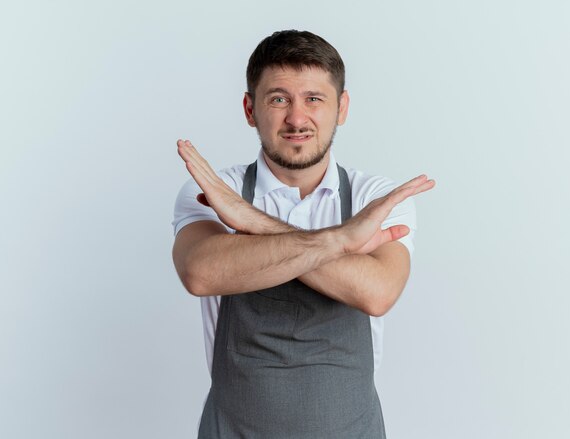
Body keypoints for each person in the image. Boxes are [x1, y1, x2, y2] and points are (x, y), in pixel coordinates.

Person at [171, 30, 435, 439]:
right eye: (278, 99)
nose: (297, 118)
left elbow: (377, 292)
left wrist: (252, 222)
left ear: (341, 107)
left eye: (314, 98)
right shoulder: (211, 190)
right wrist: (339, 242)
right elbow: (201, 273)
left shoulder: (375, 197)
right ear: (249, 108)